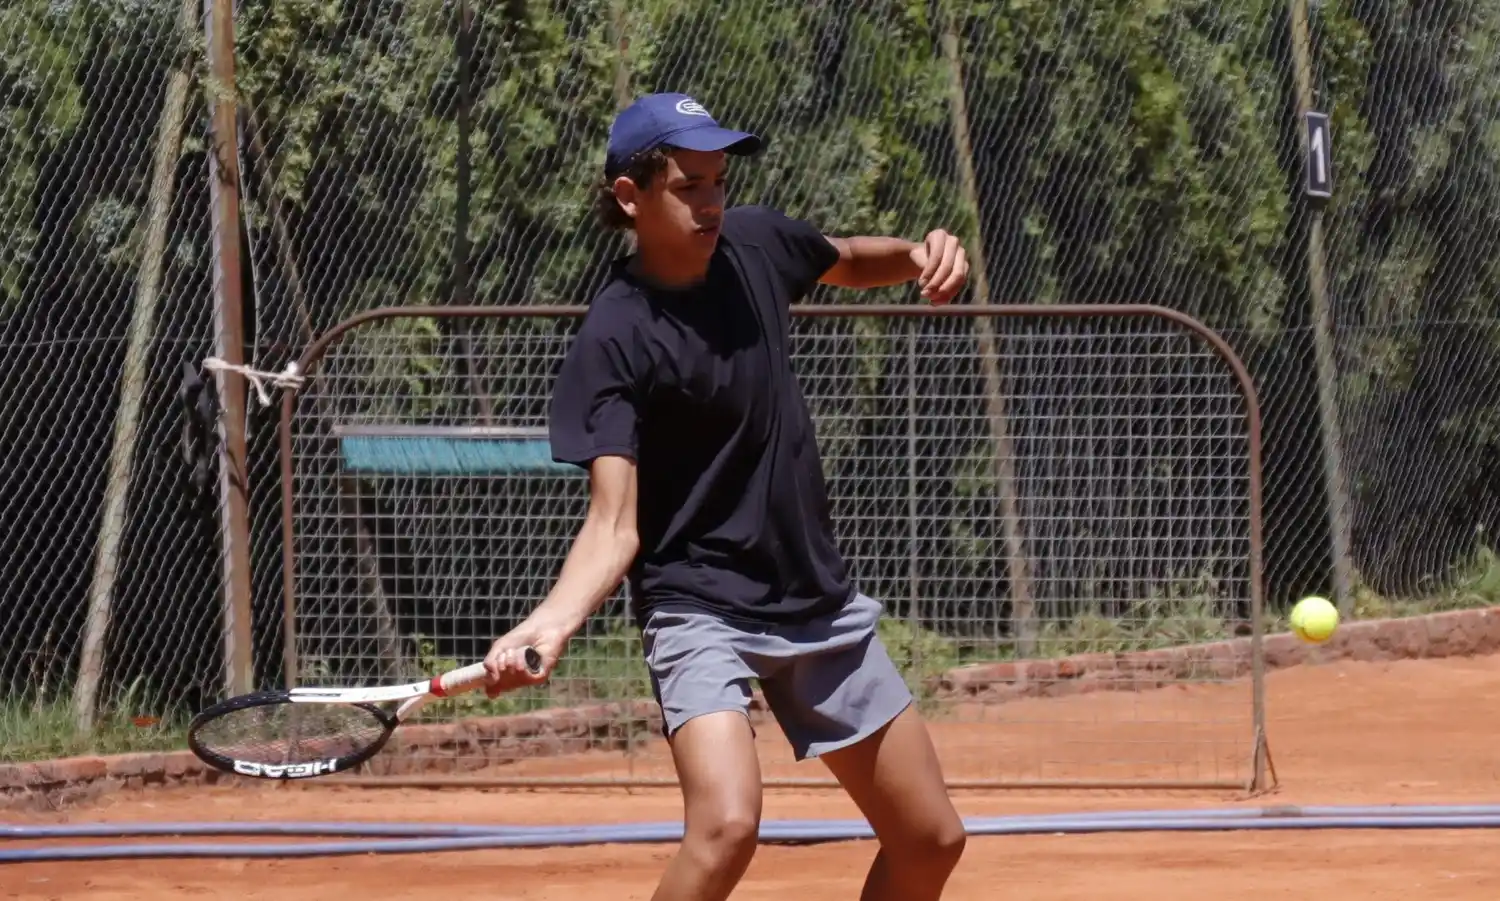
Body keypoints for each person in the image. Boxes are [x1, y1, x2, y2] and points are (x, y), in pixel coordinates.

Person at [484, 92, 970, 901]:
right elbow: (613, 522)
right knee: (726, 824)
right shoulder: (615, 335)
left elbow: (846, 256)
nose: (711, 202)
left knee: (930, 841)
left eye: (718, 181)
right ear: (630, 197)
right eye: (689, 185)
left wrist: (920, 256)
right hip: (699, 604)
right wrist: (550, 625)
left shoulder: (756, 245)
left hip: (812, 595)